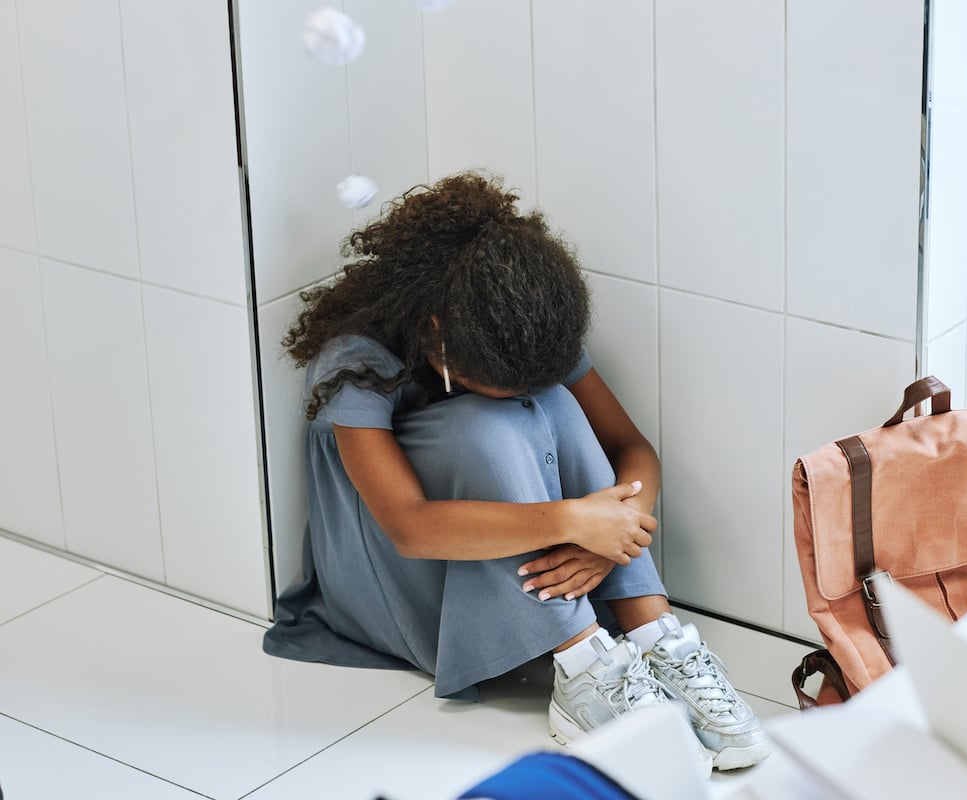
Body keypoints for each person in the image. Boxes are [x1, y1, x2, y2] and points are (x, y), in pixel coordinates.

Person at [262, 172, 770, 772]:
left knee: (552, 400)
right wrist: (575, 520)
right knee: (488, 427)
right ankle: (583, 667)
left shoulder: (519, 331)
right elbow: (409, 528)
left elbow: (633, 448)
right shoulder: (358, 359)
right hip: (394, 573)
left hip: (503, 542)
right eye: (499, 384)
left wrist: (615, 537)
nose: (523, 390)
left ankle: (653, 634)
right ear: (438, 338)